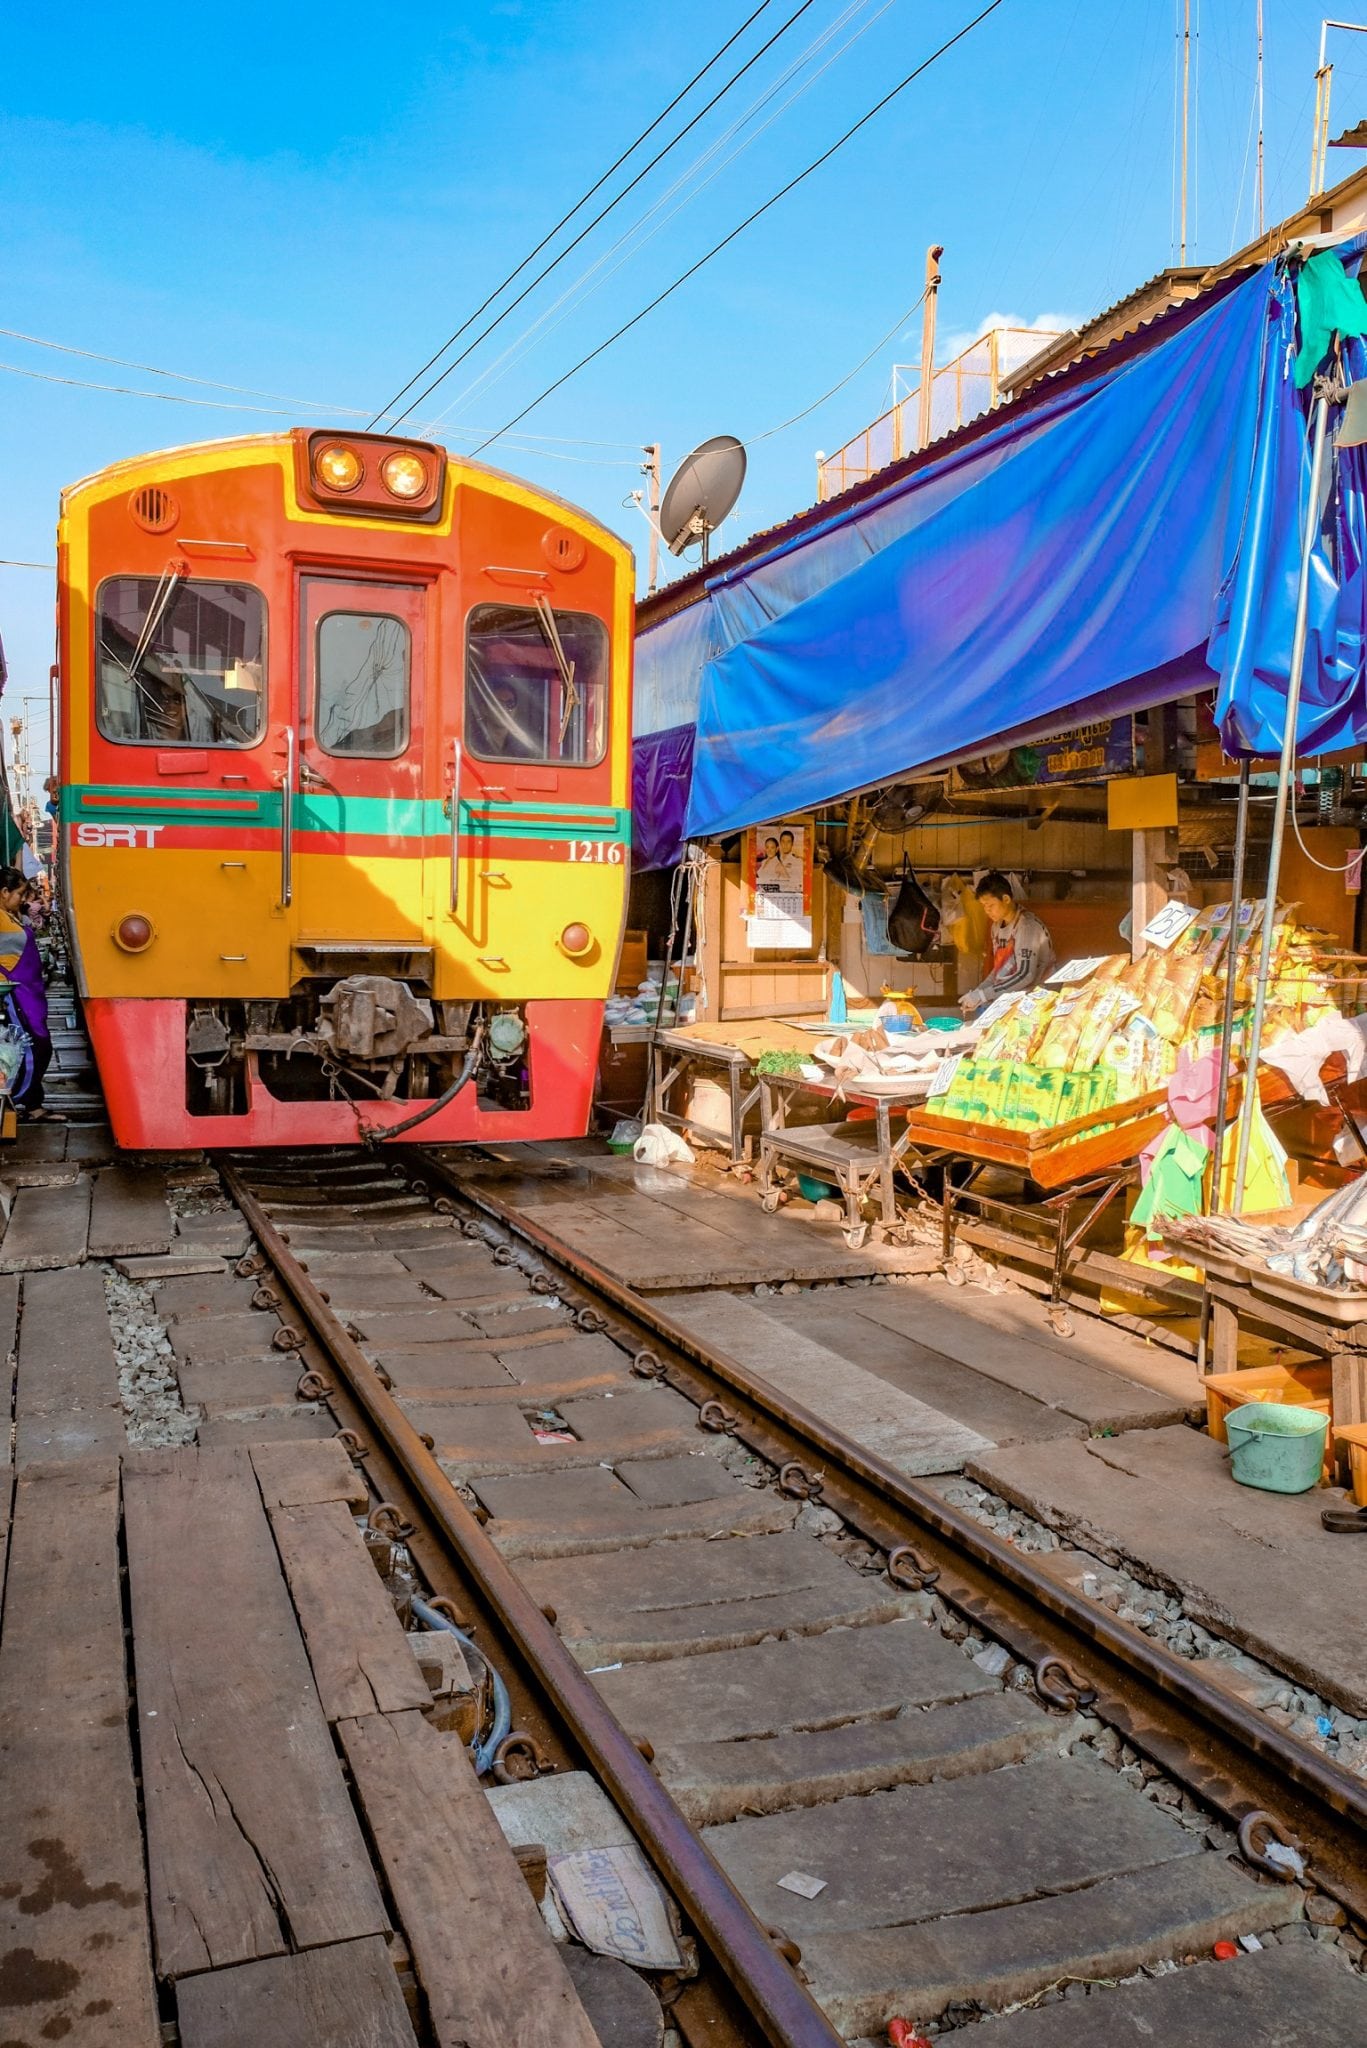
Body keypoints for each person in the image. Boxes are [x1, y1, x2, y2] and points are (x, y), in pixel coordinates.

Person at [0, 867, 60, 1120]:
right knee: (35, 1047)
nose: (23, 899)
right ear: (4, 892)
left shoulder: (8, 916)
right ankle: (23, 1102)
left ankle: (30, 1104)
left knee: (31, 1047)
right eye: (20, 893)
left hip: (28, 993)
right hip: (16, 996)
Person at [959, 870, 1056, 1015]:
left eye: (990, 905)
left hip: (1035, 1001)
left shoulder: (1027, 927)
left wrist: (983, 995)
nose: (987, 911)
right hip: (1011, 1000)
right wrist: (979, 992)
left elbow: (1025, 975)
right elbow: (999, 970)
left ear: (1005, 899)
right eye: (983, 906)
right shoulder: (996, 927)